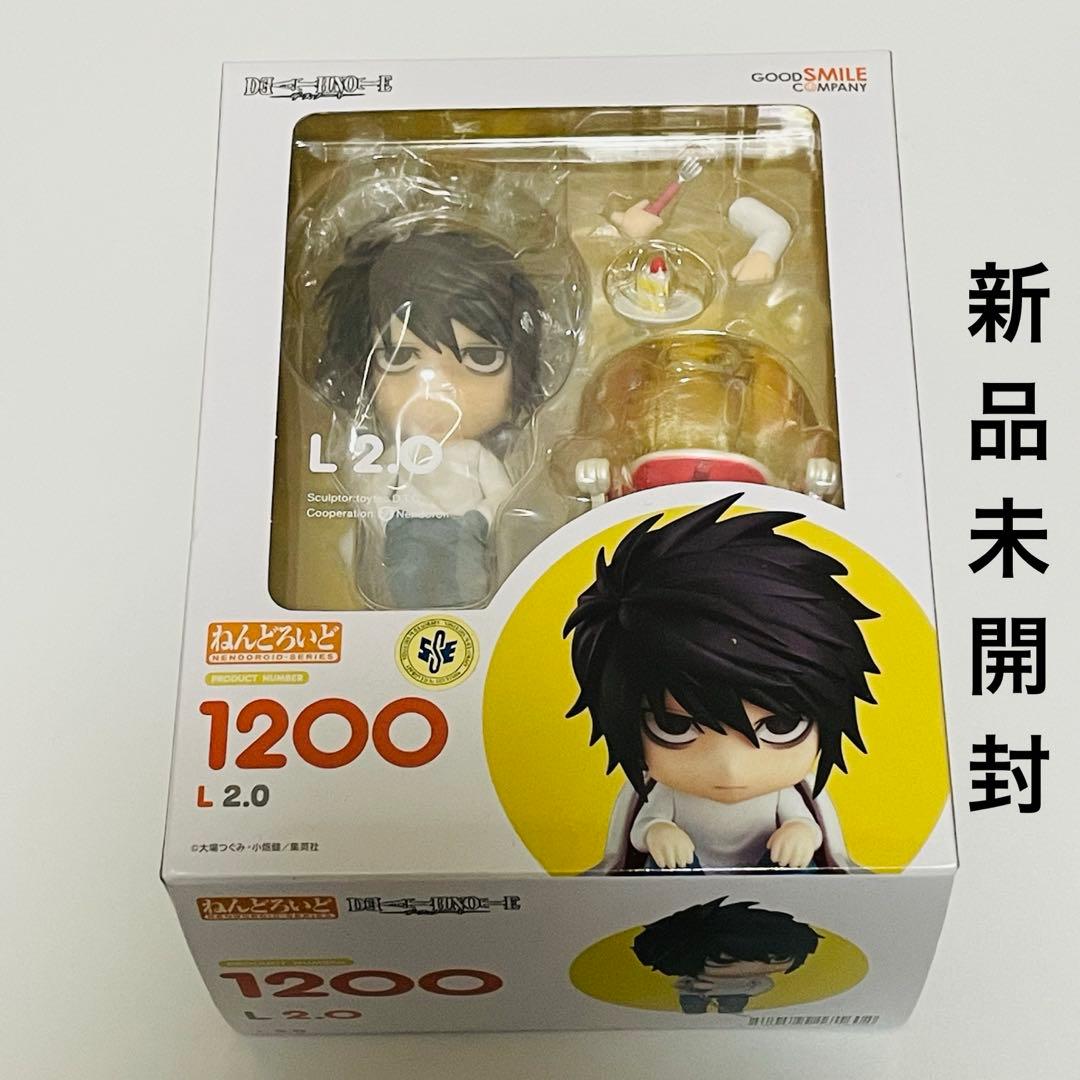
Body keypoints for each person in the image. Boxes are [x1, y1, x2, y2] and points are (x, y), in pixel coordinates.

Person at [564, 494, 878, 870]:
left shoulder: (783, 795)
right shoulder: (669, 795)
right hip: (682, 884)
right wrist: (658, 832)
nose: (731, 768)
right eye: (674, 725)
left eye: (781, 725)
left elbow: (809, 828)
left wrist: (798, 833)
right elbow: (641, 829)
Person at [316, 225, 545, 608]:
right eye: (402, 357)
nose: (442, 386)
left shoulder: (475, 457)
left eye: (481, 357)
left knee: (468, 578)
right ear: (361, 371)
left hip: (466, 538)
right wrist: (383, 523)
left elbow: (503, 498)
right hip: (405, 537)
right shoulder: (394, 457)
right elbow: (372, 494)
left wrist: (481, 520)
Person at [632, 896, 822, 1014]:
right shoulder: (693, 962)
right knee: (692, 1005)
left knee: (733, 1005)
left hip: (736, 999)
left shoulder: (752, 980)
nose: (760, 969)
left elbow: (764, 984)